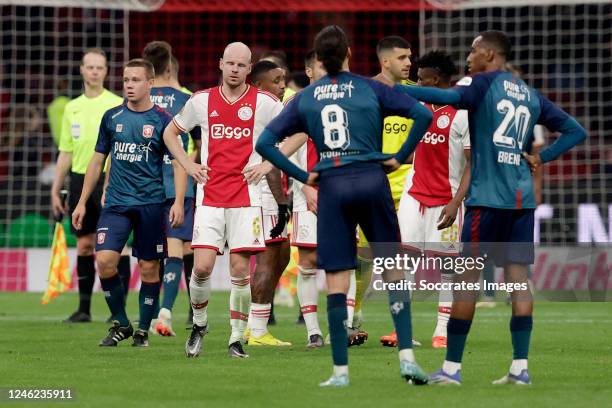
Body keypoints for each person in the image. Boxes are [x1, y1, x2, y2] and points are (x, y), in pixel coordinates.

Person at [396, 30, 587, 385]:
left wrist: (399, 88)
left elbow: (444, 96)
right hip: (521, 200)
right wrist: (541, 157)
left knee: (466, 281)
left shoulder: (483, 85)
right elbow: (576, 131)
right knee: (518, 282)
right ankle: (520, 368)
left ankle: (451, 369)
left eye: (473, 51)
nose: (468, 57)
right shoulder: (528, 93)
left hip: (486, 200)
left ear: (489, 53)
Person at [257, 25, 433, 387]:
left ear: (319, 60)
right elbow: (423, 115)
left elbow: (266, 143)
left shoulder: (307, 97)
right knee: (394, 268)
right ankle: (407, 359)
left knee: (336, 278)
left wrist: (304, 176)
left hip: (333, 185)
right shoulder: (372, 88)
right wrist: (399, 156)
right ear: (350, 54)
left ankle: (339, 371)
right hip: (372, 179)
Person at [162, 42, 283, 359]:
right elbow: (169, 133)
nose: (234, 69)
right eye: (229, 63)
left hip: (247, 198)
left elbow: (298, 132)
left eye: (241, 65)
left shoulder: (265, 103)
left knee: (240, 272)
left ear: (248, 68)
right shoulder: (201, 101)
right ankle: (199, 325)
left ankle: (236, 338)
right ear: (220, 64)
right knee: (201, 267)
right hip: (210, 197)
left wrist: (268, 164)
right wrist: (188, 165)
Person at [72, 58, 187, 347]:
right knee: (105, 261)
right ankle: (122, 323)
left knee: (149, 269)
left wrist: (177, 203)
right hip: (116, 204)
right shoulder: (112, 117)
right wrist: (82, 202)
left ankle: (142, 330)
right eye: (126, 80)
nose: (129, 85)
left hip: (151, 204)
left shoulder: (163, 120)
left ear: (150, 83)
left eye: (136, 80)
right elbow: (97, 160)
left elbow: (179, 163)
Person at [397, 50, 470, 348]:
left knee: (447, 267)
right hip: (414, 196)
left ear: (436, 79)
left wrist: (455, 203)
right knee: (405, 260)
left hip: (446, 201)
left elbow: (472, 163)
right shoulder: (419, 108)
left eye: (421, 77)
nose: (416, 81)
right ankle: (403, 330)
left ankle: (442, 330)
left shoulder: (462, 113)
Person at [51, 48, 128, 323]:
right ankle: (84, 309)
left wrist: (112, 182)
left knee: (116, 247)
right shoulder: (72, 107)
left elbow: (122, 148)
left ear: (106, 72)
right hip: (80, 180)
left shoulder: (117, 104)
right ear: (82, 70)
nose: (95, 71)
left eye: (100, 67)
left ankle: (118, 309)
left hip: (112, 178)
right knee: (84, 245)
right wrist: (55, 188)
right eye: (90, 67)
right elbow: (66, 151)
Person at [143, 41, 201, 336]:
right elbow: (202, 147)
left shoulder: (138, 100)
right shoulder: (188, 99)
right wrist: (190, 166)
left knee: (153, 253)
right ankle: (167, 312)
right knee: (181, 248)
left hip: (140, 187)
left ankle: (151, 313)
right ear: (170, 66)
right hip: (178, 185)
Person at [243, 59, 292, 346]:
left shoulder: (259, 109)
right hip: (265, 194)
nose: (282, 85)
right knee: (269, 258)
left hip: (260, 193)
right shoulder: (266, 112)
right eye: (276, 80)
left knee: (282, 254)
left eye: (284, 79)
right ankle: (257, 330)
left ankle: (253, 325)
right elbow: (270, 162)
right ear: (259, 85)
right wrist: (282, 202)